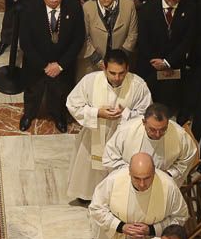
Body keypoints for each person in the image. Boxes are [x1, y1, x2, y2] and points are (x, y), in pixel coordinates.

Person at [65, 49, 151, 201]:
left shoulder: (138, 85)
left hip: (124, 138)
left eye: (121, 73)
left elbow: (146, 114)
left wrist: (126, 113)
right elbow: (73, 103)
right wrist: (97, 112)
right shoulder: (90, 81)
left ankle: (115, 197)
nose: (117, 78)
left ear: (128, 69)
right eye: (112, 73)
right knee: (91, 170)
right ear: (104, 68)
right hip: (95, 135)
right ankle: (88, 195)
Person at [20, 0, 85, 133]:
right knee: (32, 92)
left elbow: (78, 39)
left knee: (60, 92)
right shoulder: (30, 8)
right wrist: (44, 66)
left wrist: (61, 65)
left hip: (62, 64)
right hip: (36, 63)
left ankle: (59, 116)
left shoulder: (74, 7)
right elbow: (26, 43)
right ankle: (29, 114)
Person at [134, 0, 193, 111]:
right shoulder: (148, 8)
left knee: (170, 107)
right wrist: (156, 61)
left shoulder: (190, 8)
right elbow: (143, 39)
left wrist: (167, 62)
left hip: (174, 65)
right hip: (150, 65)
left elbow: (188, 39)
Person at [103, 102, 198, 182]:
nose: (157, 134)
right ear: (144, 122)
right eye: (152, 129)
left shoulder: (179, 135)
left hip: (161, 183)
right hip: (130, 181)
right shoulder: (127, 131)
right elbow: (111, 156)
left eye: (163, 129)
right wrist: (133, 173)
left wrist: (170, 174)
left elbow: (188, 157)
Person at [79, 0, 136, 73]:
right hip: (92, 63)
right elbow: (83, 37)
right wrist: (97, 59)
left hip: (121, 62)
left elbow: (133, 34)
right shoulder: (87, 7)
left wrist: (119, 59)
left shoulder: (128, 4)